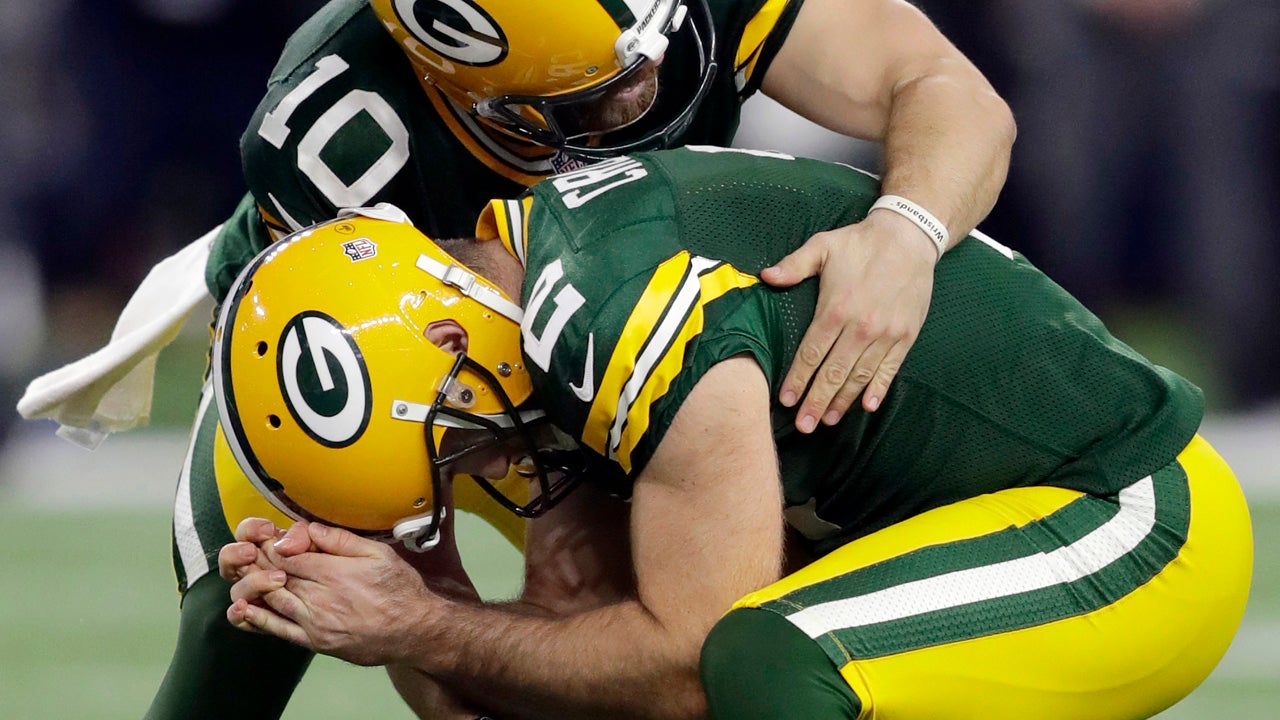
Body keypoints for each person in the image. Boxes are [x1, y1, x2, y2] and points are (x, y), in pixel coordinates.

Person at [141, 0, 1015, 717]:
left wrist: (907, 232)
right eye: (591, 100)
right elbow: (354, 435)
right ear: (457, 82)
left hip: (622, 317)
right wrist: (419, 623)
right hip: (383, 333)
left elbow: (936, 81)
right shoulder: (343, 135)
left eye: (648, 57)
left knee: (744, 606)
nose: (646, 95)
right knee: (260, 602)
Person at [216, 146, 1251, 720]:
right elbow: (540, 682)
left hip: (1128, 518)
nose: (479, 468)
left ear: (441, 336)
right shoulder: (516, 308)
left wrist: (424, 626)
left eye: (455, 452)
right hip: (966, 517)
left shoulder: (614, 317)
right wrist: (414, 590)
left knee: (767, 660)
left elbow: (687, 669)